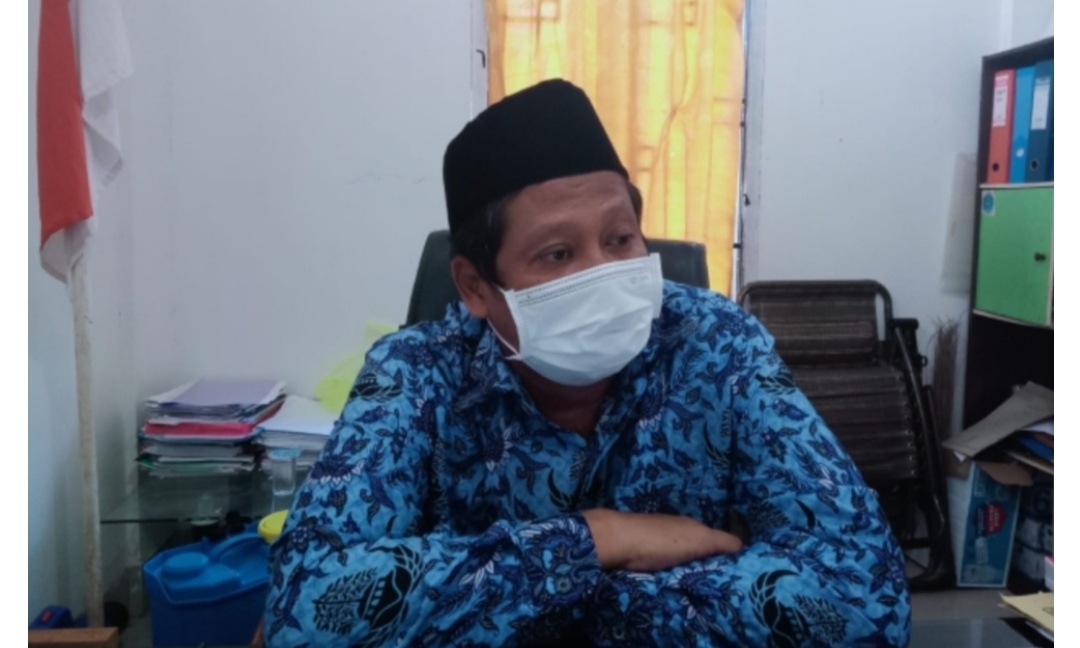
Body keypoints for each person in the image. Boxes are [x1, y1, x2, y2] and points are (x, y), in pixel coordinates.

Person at [264, 79, 911, 647]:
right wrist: (601, 538)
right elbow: (305, 613)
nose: (603, 273)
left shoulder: (717, 344)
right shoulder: (413, 373)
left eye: (619, 238)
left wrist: (550, 597)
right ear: (474, 287)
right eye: (557, 254)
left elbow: (864, 598)